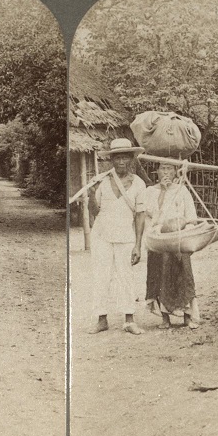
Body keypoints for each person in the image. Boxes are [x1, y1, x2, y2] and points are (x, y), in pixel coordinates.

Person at [87, 138, 147, 335]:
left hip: (126, 236)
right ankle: (101, 319)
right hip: (102, 235)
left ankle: (129, 320)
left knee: (126, 277)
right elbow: (94, 211)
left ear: (131, 159)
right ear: (111, 160)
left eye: (125, 158)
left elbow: (140, 216)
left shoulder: (138, 184)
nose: (121, 162)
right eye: (117, 158)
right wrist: (92, 194)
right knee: (101, 276)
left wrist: (138, 245)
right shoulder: (102, 181)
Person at [138, 162, 200, 330]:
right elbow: (150, 215)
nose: (166, 172)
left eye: (169, 169)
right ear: (157, 171)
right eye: (162, 168)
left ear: (175, 172)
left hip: (179, 238)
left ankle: (187, 316)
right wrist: (163, 192)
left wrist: (186, 233)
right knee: (160, 275)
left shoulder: (182, 190)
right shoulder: (150, 191)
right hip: (159, 238)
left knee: (184, 275)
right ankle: (165, 318)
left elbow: (191, 217)